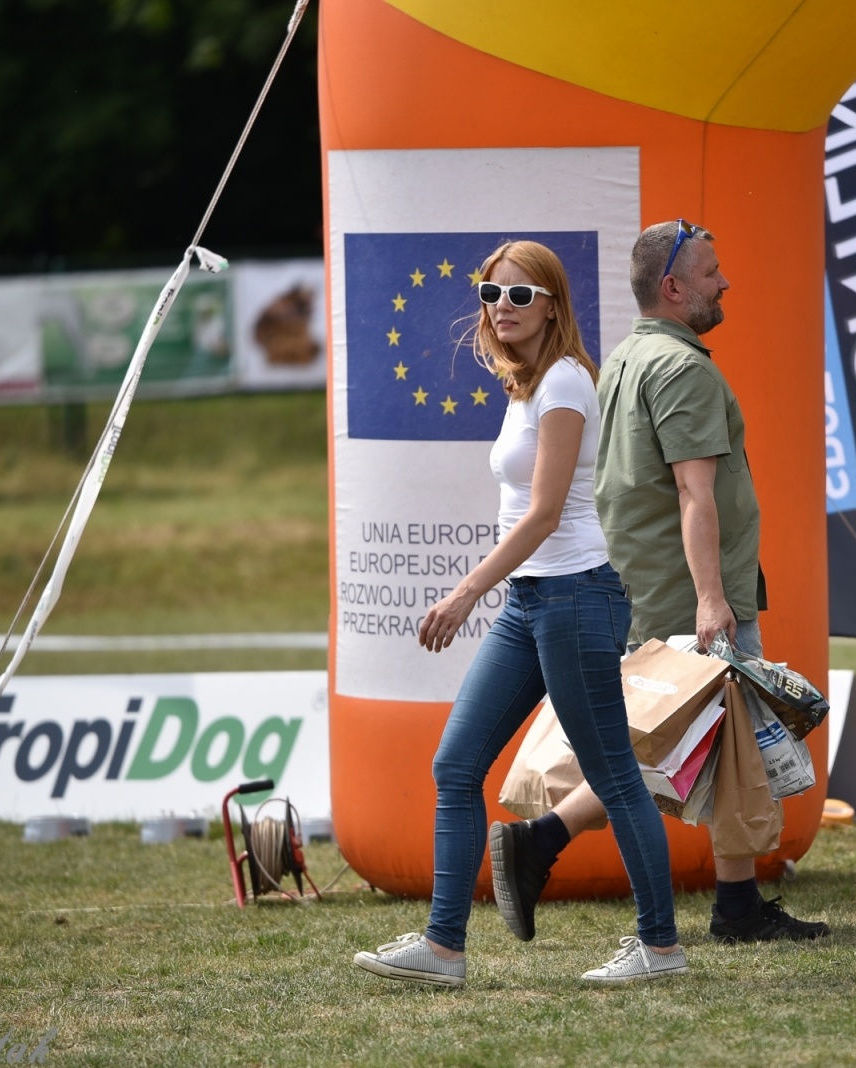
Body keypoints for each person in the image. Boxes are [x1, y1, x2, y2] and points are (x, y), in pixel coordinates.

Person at [352, 240, 686, 987]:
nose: (502, 306)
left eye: (520, 294)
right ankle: (444, 950)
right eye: (490, 293)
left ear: (553, 305)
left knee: (612, 774)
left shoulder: (565, 381)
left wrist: (464, 591)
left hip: (577, 597)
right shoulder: (527, 384)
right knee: (457, 765)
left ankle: (660, 948)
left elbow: (542, 515)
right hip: (531, 601)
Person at [489, 220, 831, 946]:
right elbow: (693, 491)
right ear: (673, 288)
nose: (724, 282)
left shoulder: (625, 358)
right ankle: (551, 843)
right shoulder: (683, 370)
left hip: (643, 582)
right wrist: (712, 598)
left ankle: (726, 900)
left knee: (691, 745)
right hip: (689, 590)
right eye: (711, 273)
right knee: (683, 749)